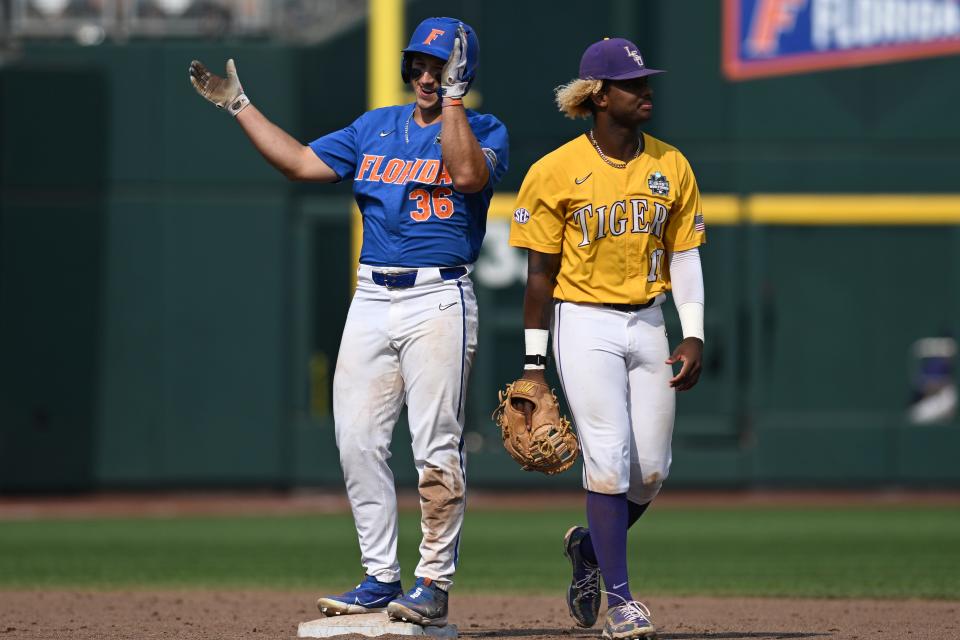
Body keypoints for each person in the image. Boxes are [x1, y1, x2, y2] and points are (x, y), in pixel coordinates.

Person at [189, 16, 508, 628]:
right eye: (418, 63)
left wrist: (457, 102)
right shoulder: (375, 127)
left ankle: (433, 583)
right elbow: (303, 164)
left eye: (439, 66)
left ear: (461, 72)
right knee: (356, 438)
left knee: (437, 446)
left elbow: (468, 176)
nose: (425, 75)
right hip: (370, 296)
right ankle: (380, 576)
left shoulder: (484, 128)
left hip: (438, 298)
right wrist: (240, 107)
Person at [507, 37, 705, 639]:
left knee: (650, 473)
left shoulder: (670, 164)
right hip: (584, 320)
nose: (645, 92)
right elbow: (538, 276)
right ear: (598, 95)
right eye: (632, 84)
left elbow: (687, 257)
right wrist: (534, 366)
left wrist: (692, 333)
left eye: (645, 81)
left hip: (649, 319)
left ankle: (589, 551)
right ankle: (621, 602)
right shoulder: (556, 169)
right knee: (609, 456)